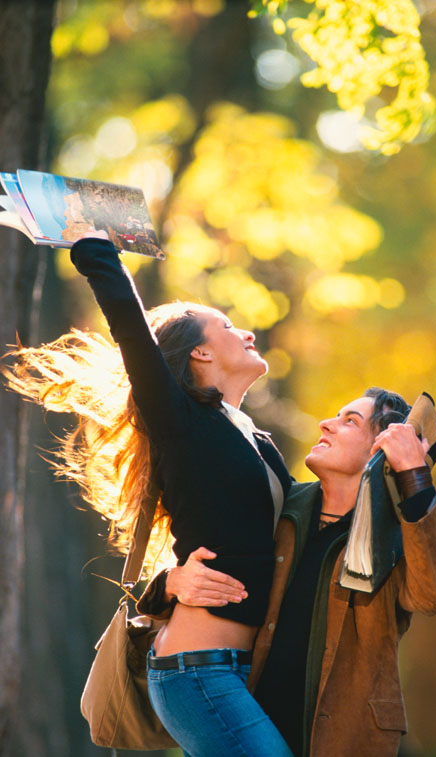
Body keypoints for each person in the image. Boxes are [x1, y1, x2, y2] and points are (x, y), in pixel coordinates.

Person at [2, 235, 294, 757]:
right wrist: (95, 246)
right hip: (197, 671)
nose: (246, 331)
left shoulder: (258, 442)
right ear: (200, 352)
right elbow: (131, 329)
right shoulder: (182, 424)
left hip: (244, 668)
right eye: (227, 326)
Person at [142, 387, 436, 756]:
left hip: (343, 739)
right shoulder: (277, 508)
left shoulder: (401, 535)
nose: (326, 424)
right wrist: (169, 582)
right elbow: (200, 565)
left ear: (379, 451)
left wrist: (414, 475)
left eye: (350, 421)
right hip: (245, 718)